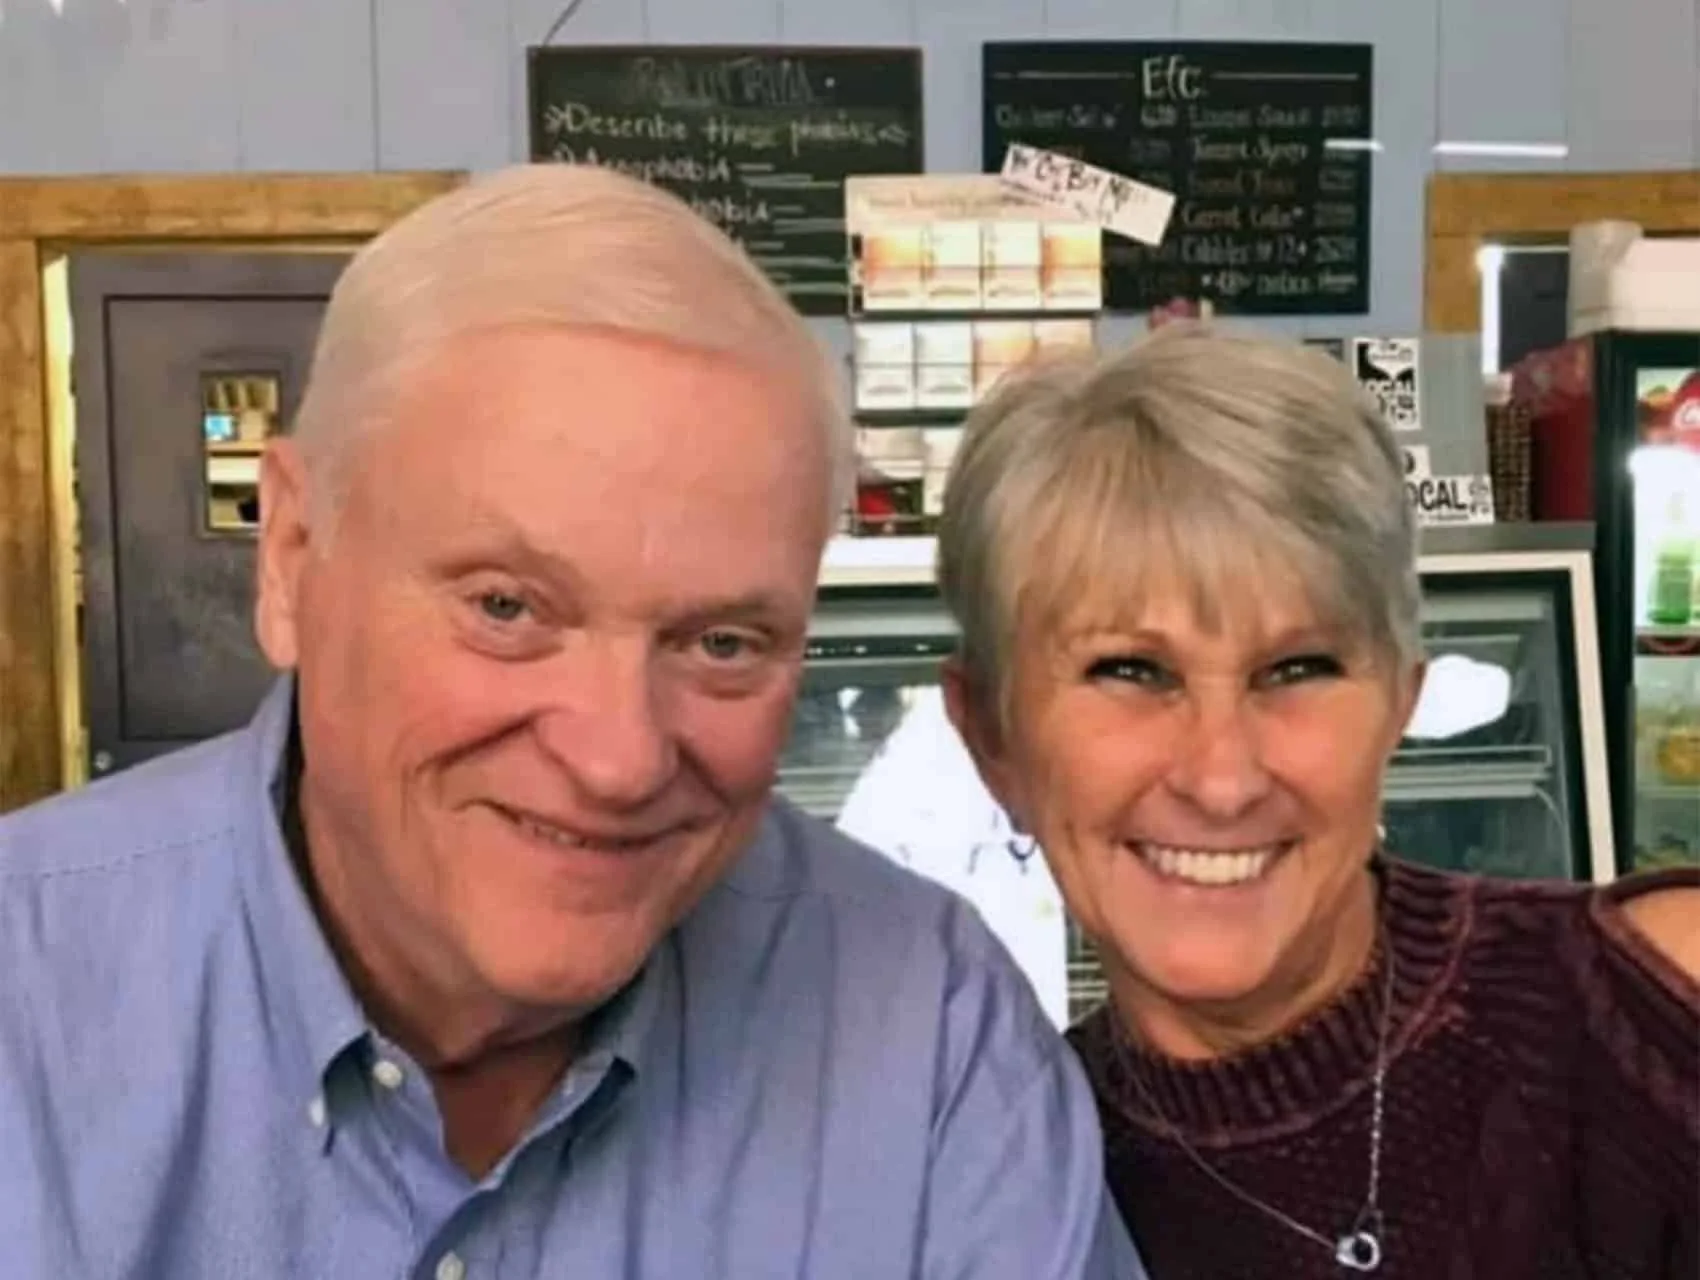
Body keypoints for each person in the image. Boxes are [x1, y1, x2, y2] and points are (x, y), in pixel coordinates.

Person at [0, 165, 1143, 1279]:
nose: (616, 760)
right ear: (292, 558)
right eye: (506, 608)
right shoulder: (29, 995)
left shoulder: (925, 1027)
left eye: (721, 643)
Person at [935, 322, 1700, 1279]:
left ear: (1400, 703)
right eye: (1129, 669)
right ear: (993, 739)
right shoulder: (998, 1191)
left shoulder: (1653, 1009)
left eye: (1298, 667)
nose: (1222, 780)